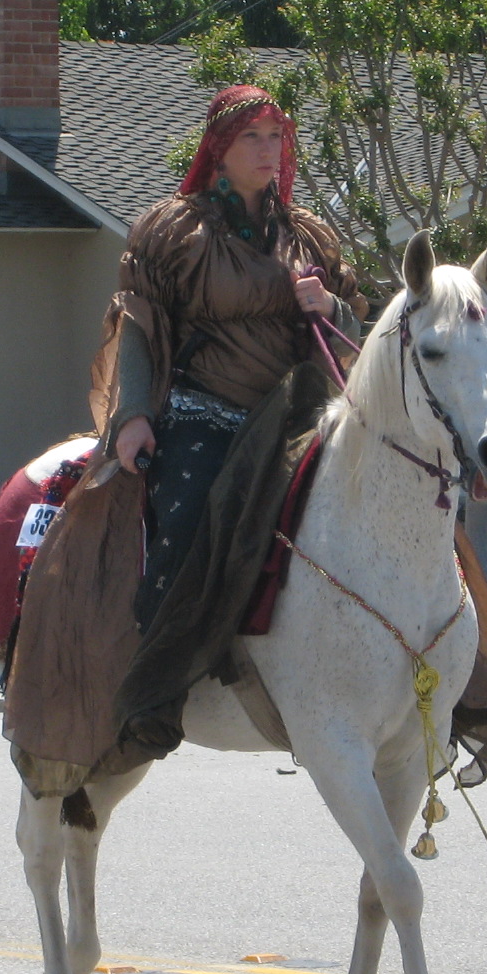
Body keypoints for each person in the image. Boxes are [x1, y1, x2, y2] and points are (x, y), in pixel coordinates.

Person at [106, 84, 365, 629]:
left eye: (276, 136)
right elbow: (138, 322)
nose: (267, 150)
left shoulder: (308, 236)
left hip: (295, 423)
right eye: (252, 137)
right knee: (185, 532)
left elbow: (350, 335)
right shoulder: (175, 229)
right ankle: (154, 680)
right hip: (203, 414)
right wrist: (132, 415)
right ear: (219, 147)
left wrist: (331, 306)